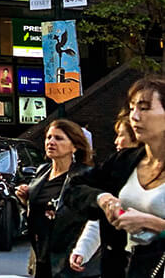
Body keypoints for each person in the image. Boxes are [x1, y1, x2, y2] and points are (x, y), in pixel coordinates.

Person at [71, 74, 165, 278]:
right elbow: (75, 188)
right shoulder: (124, 161)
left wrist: (155, 224)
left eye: (144, 108)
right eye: (132, 108)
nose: (135, 117)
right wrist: (103, 199)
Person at [14, 119, 93, 278]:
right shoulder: (43, 171)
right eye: (48, 137)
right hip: (41, 255)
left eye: (58, 138)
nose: (51, 142)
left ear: (75, 146)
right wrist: (25, 200)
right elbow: (34, 213)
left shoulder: (84, 175)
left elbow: (91, 220)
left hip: (68, 259)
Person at [71, 110, 136, 278]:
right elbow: (101, 218)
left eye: (121, 135)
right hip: (116, 261)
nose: (116, 141)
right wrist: (83, 249)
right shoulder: (116, 167)